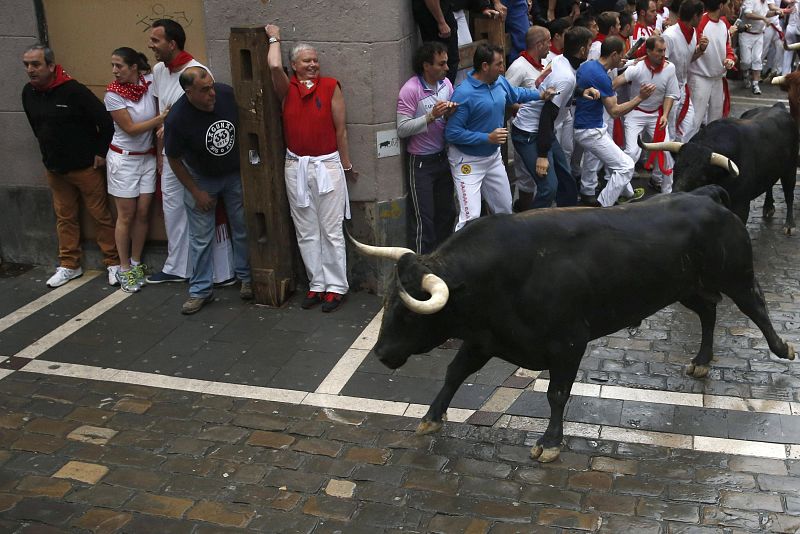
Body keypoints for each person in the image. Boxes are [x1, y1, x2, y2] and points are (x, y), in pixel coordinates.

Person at [265, 24, 355, 313]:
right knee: (305, 229)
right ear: (294, 66)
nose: (313, 64)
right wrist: (274, 36)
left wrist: (346, 164)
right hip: (296, 167)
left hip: (327, 165)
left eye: (316, 60)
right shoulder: (286, 89)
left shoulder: (331, 87)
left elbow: (340, 131)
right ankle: (317, 284)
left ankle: (337, 286)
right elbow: (273, 63)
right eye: (307, 60)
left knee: (330, 230)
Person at [21, 44, 121, 289]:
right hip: (55, 168)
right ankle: (69, 265)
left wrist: (100, 152)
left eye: (36, 64)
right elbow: (36, 127)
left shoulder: (73, 91)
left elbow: (105, 121)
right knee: (65, 217)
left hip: (85, 167)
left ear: (50, 66)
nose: (30, 70)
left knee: (100, 216)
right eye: (27, 65)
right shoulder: (28, 93)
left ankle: (114, 263)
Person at [147, 18, 234, 286]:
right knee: (172, 207)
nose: (151, 46)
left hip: (195, 155)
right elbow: (161, 111)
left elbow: (206, 108)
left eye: (156, 40)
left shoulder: (197, 70)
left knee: (205, 209)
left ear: (172, 43)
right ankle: (177, 266)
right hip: (171, 152)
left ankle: (222, 272)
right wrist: (161, 150)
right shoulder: (159, 70)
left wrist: (172, 122)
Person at [164, 67, 252, 314]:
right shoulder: (177, 119)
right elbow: (174, 159)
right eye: (204, 90)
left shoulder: (225, 94)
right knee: (201, 238)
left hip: (233, 174)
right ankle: (200, 290)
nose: (212, 93)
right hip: (201, 178)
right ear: (188, 92)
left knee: (242, 227)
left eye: (212, 86)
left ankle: (247, 278)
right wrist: (195, 191)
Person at [445, 43, 552, 231]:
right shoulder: (464, 93)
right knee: (471, 219)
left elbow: (516, 93)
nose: (503, 68)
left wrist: (540, 95)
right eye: (499, 64)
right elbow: (452, 133)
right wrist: (487, 138)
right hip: (467, 162)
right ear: (485, 66)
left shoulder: (500, 82)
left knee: (504, 211)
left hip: (493, 158)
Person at [104, 47, 167, 293]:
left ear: (133, 67)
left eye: (119, 65)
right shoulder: (113, 95)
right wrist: (163, 118)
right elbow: (131, 128)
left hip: (147, 159)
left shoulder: (148, 82)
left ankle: (136, 262)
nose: (114, 71)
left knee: (143, 213)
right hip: (124, 160)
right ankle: (123, 268)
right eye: (113, 65)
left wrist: (159, 153)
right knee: (126, 215)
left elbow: (164, 78)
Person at [511, 26, 592, 209]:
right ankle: (530, 228)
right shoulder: (566, 77)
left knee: (566, 178)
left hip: (543, 130)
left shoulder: (560, 60)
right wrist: (542, 155)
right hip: (530, 133)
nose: (590, 48)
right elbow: (547, 114)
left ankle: (567, 218)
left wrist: (580, 91)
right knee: (548, 188)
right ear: (582, 50)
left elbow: (554, 87)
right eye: (589, 45)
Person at [574, 36, 656, 207]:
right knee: (625, 166)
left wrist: (626, 63)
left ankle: (627, 193)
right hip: (590, 131)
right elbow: (615, 112)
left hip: (586, 125)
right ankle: (603, 207)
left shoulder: (588, 66)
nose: (623, 57)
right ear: (613, 55)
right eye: (621, 54)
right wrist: (640, 97)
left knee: (615, 162)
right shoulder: (601, 77)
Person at [397, 42, 458, 254]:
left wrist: (450, 113)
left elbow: (447, 120)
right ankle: (421, 268)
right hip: (421, 162)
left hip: (443, 158)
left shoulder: (446, 85)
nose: (447, 68)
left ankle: (443, 261)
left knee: (447, 213)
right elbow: (402, 129)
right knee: (424, 219)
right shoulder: (411, 90)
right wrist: (431, 116)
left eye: (446, 63)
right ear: (426, 66)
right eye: (441, 64)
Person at [614, 36, 681, 193]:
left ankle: (667, 192)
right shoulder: (637, 68)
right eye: (659, 51)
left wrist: (664, 115)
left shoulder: (670, 68)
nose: (663, 54)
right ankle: (622, 190)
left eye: (664, 50)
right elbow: (616, 82)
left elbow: (670, 94)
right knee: (631, 152)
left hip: (656, 116)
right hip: (635, 113)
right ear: (649, 51)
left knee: (666, 152)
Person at [684, 0, 736, 140]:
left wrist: (730, 59)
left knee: (715, 119)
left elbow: (727, 47)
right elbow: (690, 47)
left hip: (717, 78)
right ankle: (687, 149)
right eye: (728, 5)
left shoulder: (724, 24)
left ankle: (711, 148)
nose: (730, 8)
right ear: (720, 6)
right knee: (695, 119)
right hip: (700, 77)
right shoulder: (701, 22)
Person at [662, 0, 707, 141]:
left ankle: (680, 157)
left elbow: (688, 59)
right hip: (668, 91)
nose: (701, 19)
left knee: (691, 124)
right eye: (700, 16)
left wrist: (700, 50)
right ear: (694, 16)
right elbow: (661, 64)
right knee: (669, 130)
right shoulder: (669, 35)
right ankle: (665, 161)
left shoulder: (693, 33)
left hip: (683, 88)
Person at [738, 0, 784, 94]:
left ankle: (755, 84)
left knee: (757, 59)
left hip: (759, 34)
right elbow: (748, 14)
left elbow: (766, 13)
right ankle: (745, 73)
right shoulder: (750, 1)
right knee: (746, 61)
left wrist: (775, 12)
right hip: (746, 34)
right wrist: (763, 18)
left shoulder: (765, 2)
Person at [412, 0, 461, 83]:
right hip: (435, 19)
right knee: (444, 61)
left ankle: (442, 91)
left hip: (437, 16)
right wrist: (441, 22)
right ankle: (442, 92)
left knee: (446, 62)